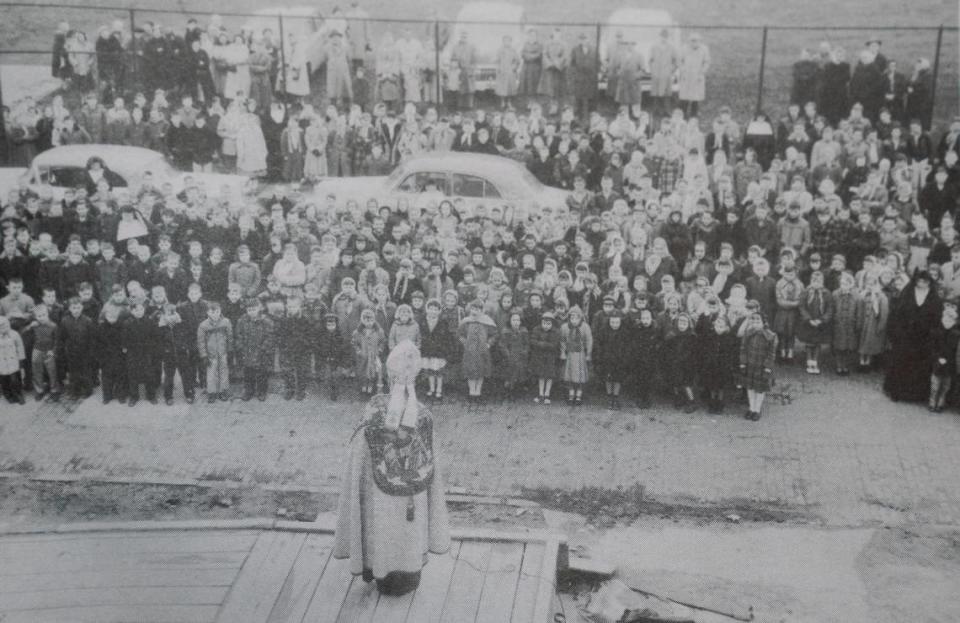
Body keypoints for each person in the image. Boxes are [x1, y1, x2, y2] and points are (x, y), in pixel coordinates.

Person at [333, 341, 450, 597]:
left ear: (387, 376)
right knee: (409, 529)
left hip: (380, 495)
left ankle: (380, 571)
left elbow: (360, 449)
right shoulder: (423, 415)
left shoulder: (374, 411)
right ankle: (409, 573)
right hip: (412, 496)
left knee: (382, 526)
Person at [884, 270, 941, 402]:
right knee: (901, 363)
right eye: (920, 281)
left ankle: (916, 395)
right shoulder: (907, 293)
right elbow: (898, 314)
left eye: (925, 282)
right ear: (916, 281)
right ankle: (897, 392)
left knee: (919, 366)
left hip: (923, 339)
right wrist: (897, 332)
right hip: (905, 336)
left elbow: (936, 317)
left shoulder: (934, 297)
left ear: (929, 283)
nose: (922, 284)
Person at [739, 309, 778, 421]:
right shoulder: (748, 334)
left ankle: (757, 409)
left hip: (762, 366)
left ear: (764, 322)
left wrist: (767, 368)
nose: (755, 323)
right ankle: (751, 408)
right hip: (750, 364)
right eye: (753, 320)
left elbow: (771, 354)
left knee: (760, 389)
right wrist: (743, 363)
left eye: (758, 321)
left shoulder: (771, 336)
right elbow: (743, 349)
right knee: (750, 387)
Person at [236, 298, 274, 402]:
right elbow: (239, 335)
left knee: (262, 373)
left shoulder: (266, 321)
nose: (251, 312)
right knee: (248, 373)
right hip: (247, 351)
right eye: (249, 310)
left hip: (261, 352)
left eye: (254, 309)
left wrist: (263, 348)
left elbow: (270, 336)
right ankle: (249, 390)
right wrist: (241, 347)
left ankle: (262, 391)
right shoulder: (242, 320)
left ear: (259, 308)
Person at [458, 300, 496, 404]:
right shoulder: (466, 322)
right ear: (470, 309)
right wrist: (465, 343)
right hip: (470, 351)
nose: (475, 311)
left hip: (482, 351)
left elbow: (494, 335)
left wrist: (488, 344)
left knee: (481, 372)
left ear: (482, 310)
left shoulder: (487, 322)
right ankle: (472, 392)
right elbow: (460, 334)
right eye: (473, 309)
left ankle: (478, 392)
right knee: (471, 371)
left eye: (478, 309)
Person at [122, 300, 159, 406]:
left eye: (141, 309)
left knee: (149, 374)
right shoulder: (127, 323)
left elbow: (155, 336)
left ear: (144, 309)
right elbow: (124, 338)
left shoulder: (149, 321)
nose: (139, 312)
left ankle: (151, 395)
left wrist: (152, 348)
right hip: (133, 352)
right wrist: (125, 348)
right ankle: (134, 396)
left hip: (147, 352)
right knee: (133, 374)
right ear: (132, 311)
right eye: (136, 310)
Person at [58, 296, 95, 399]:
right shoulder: (65, 321)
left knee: (86, 371)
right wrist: (63, 350)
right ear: (69, 308)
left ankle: (88, 390)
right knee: (73, 373)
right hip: (71, 351)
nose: (76, 310)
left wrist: (91, 352)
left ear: (82, 308)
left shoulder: (88, 321)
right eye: (73, 308)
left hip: (85, 351)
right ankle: (75, 391)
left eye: (78, 307)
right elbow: (62, 337)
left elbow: (92, 338)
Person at [419, 299, 454, 402]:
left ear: (439, 311)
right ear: (427, 309)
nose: (433, 311)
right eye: (431, 309)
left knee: (438, 370)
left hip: (439, 351)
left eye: (435, 309)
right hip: (427, 349)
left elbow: (447, 337)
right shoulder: (423, 321)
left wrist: (446, 350)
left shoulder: (443, 322)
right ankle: (431, 388)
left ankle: (439, 389)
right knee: (430, 370)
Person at [197, 300, 232, 403]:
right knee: (211, 374)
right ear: (208, 313)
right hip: (211, 355)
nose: (215, 314)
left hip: (223, 352)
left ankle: (223, 391)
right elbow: (201, 342)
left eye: (217, 312)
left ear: (220, 311)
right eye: (212, 312)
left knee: (224, 372)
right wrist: (204, 355)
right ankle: (212, 392)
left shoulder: (226, 322)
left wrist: (230, 350)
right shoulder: (203, 325)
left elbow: (230, 337)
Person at [594, 310, 630, 410]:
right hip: (607, 359)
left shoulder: (624, 332)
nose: (615, 325)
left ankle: (616, 397)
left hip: (619, 360)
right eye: (612, 322)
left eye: (617, 322)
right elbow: (599, 345)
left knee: (618, 379)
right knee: (608, 378)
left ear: (620, 322)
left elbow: (627, 347)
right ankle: (610, 397)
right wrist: (600, 357)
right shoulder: (603, 331)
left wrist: (625, 358)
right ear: (609, 321)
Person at [927, 306, 959, 412]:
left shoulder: (956, 335)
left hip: (949, 364)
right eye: (945, 319)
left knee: (945, 387)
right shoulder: (936, 332)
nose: (947, 322)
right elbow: (932, 347)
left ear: (954, 321)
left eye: (950, 320)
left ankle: (940, 403)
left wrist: (949, 360)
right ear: (942, 318)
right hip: (937, 362)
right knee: (935, 385)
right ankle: (932, 403)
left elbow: (955, 351)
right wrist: (937, 358)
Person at [560, 305, 592, 406]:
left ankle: (579, 393)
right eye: (572, 318)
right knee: (569, 374)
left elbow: (589, 340)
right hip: (570, 354)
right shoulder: (565, 327)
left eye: (576, 318)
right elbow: (563, 341)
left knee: (580, 375)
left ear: (581, 318)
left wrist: (588, 354)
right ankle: (571, 392)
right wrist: (562, 352)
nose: (574, 320)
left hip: (580, 355)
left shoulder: (585, 327)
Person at [353, 307, 387, 396]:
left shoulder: (379, 331)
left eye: (371, 320)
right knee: (363, 371)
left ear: (374, 320)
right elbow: (354, 343)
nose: (368, 322)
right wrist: (359, 351)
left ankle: (371, 386)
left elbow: (382, 341)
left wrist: (379, 350)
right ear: (362, 320)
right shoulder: (358, 332)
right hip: (363, 356)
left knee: (373, 372)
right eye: (366, 320)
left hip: (374, 355)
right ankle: (364, 386)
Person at [678, 33, 710, 119]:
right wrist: (683, 71)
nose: (694, 43)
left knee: (696, 97)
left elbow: (706, 62)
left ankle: (694, 114)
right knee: (685, 96)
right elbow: (679, 61)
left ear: (700, 41)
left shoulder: (704, 49)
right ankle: (683, 114)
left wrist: (702, 72)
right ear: (689, 41)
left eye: (696, 41)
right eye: (692, 41)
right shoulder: (684, 48)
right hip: (686, 75)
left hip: (697, 75)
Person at [648, 29, 678, 118]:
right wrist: (653, 70)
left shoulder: (672, 47)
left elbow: (675, 61)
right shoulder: (654, 47)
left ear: (668, 37)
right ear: (659, 36)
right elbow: (650, 60)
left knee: (666, 94)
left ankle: (667, 111)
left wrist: (670, 70)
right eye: (662, 36)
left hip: (666, 74)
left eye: (665, 37)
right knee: (656, 94)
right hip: (656, 74)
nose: (663, 39)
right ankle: (655, 110)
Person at [0, 317, 26, 405]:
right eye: (1, 327)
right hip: (2, 364)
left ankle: (18, 395)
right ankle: (8, 396)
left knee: (15, 380)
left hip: (13, 362)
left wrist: (21, 361)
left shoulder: (15, 334)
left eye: (5, 325)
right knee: (4, 381)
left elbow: (20, 348)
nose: (3, 328)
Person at [494, 35, 520, 111]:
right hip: (502, 71)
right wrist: (498, 67)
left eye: (508, 41)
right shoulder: (500, 50)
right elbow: (497, 60)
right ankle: (502, 102)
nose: (507, 42)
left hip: (510, 72)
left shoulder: (513, 50)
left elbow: (517, 60)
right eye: (505, 41)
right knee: (502, 88)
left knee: (510, 88)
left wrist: (513, 67)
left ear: (510, 42)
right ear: (503, 42)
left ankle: (509, 102)